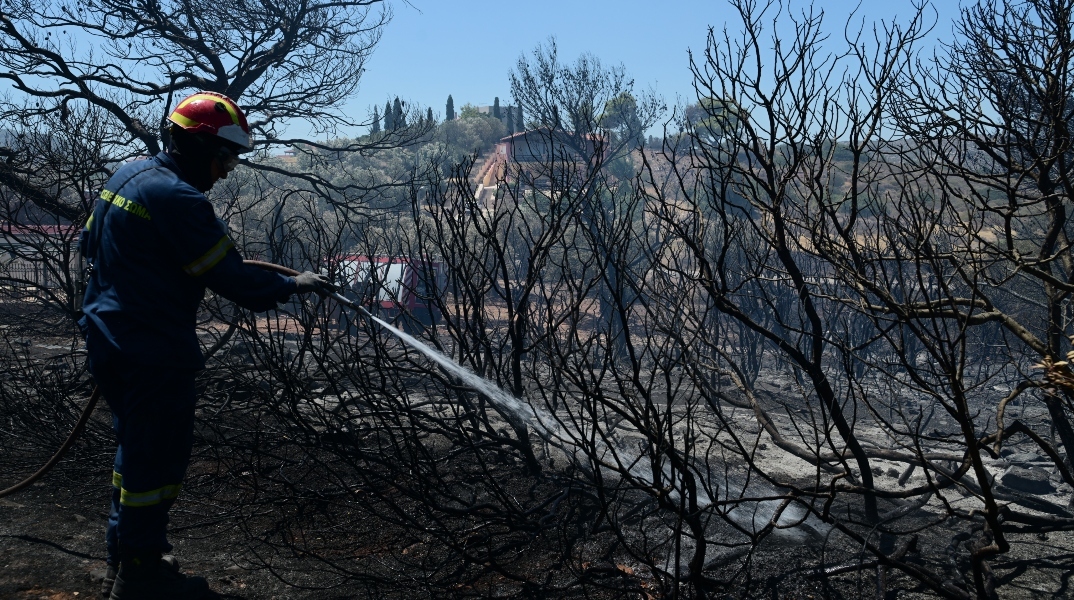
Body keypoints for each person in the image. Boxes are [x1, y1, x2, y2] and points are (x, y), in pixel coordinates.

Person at [79, 91, 330, 600]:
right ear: (199, 149)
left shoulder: (125, 177)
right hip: (151, 351)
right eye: (224, 159)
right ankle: (140, 577)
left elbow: (90, 243)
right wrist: (293, 286)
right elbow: (234, 281)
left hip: (107, 338)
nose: (226, 172)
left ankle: (125, 563)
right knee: (155, 464)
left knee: (133, 457)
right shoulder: (180, 200)